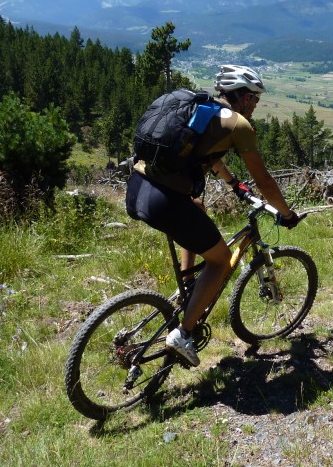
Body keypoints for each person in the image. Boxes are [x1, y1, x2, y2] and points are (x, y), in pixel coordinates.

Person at [125, 65, 301, 366]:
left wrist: (233, 184)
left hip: (138, 187)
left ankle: (187, 289)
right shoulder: (239, 125)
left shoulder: (202, 111)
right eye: (255, 100)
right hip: (165, 200)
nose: (256, 106)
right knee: (220, 261)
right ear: (244, 98)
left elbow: (210, 156)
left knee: (197, 207)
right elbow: (266, 182)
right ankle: (183, 333)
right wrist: (286, 214)